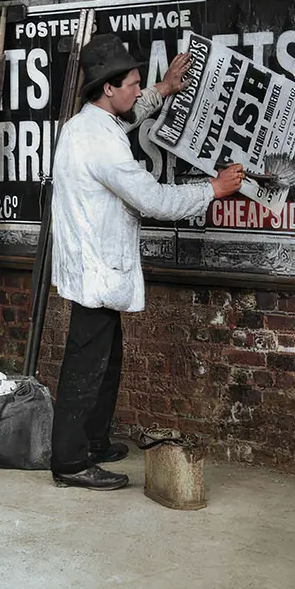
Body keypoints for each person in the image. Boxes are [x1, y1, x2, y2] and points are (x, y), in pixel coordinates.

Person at [50, 34, 244, 490]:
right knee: (86, 365)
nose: (140, 90)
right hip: (97, 267)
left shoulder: (92, 124)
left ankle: (93, 442)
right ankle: (71, 462)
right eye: (134, 84)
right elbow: (152, 198)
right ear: (108, 88)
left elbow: (130, 116)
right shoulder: (101, 143)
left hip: (95, 264)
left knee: (106, 359)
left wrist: (164, 89)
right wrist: (212, 190)